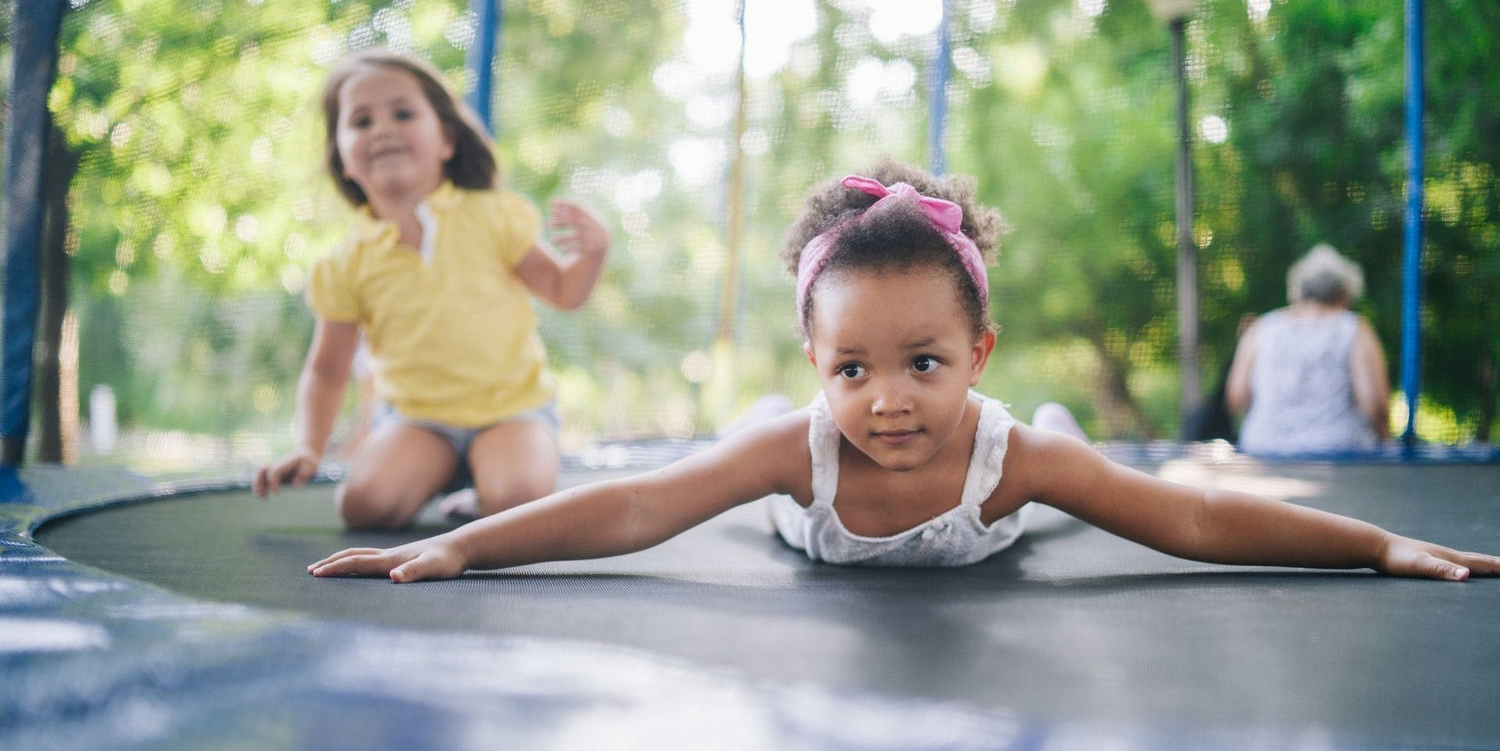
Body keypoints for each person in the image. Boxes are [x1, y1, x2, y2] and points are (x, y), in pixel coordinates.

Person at [308, 161, 1496, 583]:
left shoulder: (1006, 456)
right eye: (853, 368)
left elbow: (1188, 514)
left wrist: (1374, 543)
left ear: (975, 352)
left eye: (924, 363)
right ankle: (770, 392)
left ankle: (1058, 408)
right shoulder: (807, 442)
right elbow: (635, 502)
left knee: (1065, 458)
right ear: (820, 365)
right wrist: (459, 542)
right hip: (780, 466)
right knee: (746, 438)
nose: (888, 398)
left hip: (1021, 484)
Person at [253, 48, 610, 529]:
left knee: (517, 502)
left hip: (512, 410)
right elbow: (328, 370)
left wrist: (592, 255)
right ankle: (440, 474)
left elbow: (564, 292)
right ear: (342, 159)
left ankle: (490, 481)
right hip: (419, 419)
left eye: (402, 113)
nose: (382, 128)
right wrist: (309, 447)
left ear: (446, 139)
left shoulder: (492, 215)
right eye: (360, 121)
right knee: (365, 507)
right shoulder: (346, 262)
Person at [1226, 244, 1390, 456]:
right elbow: (1374, 404)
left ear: (1297, 293)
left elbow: (1236, 398)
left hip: (1264, 449)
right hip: (1340, 452)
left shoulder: (1262, 328)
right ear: (1343, 295)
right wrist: (1386, 440)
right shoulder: (1353, 328)